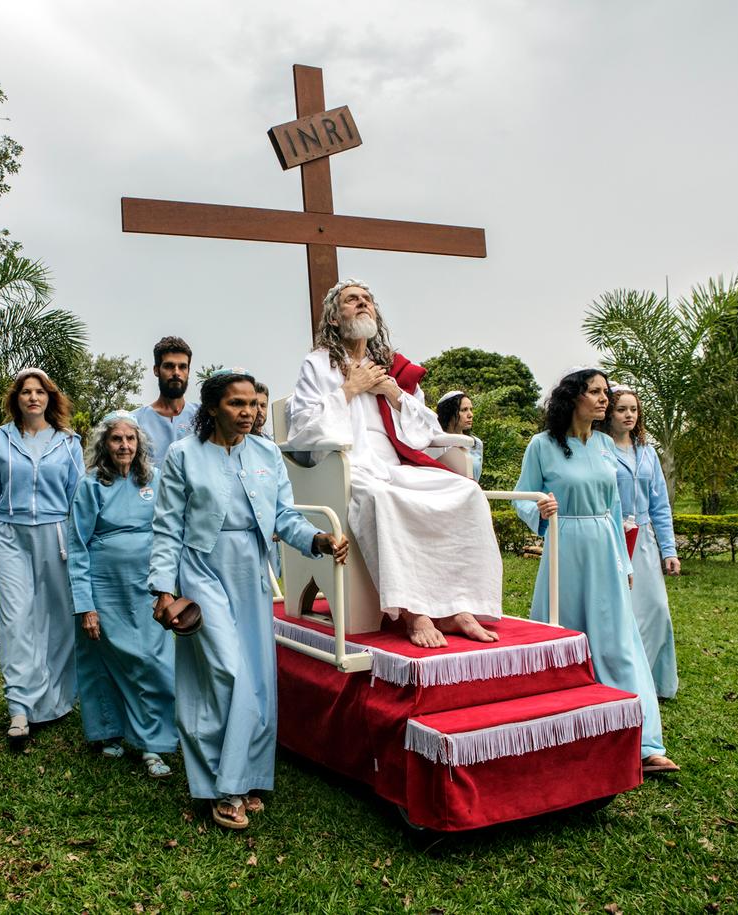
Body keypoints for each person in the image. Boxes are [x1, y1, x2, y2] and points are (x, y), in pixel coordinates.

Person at [150, 369, 348, 830]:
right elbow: (165, 527)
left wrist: (315, 540)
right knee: (225, 672)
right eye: (237, 404)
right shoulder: (182, 455)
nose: (249, 412)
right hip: (200, 567)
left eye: (254, 405)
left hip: (252, 568)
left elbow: (283, 515)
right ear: (213, 407)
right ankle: (226, 784)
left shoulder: (265, 453)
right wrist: (163, 589)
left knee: (255, 675)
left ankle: (241, 776)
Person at [284, 279, 502, 648]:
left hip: (393, 465)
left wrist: (391, 391)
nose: (363, 304)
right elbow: (302, 430)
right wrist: (350, 389)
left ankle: (457, 606)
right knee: (381, 499)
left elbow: (427, 427)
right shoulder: (318, 365)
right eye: (352, 300)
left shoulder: (390, 367)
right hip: (346, 468)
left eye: (367, 300)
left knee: (466, 492)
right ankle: (415, 613)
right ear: (335, 318)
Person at [514, 369, 679, 774]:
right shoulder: (542, 445)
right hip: (565, 548)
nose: (604, 399)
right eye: (595, 392)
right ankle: (557, 731)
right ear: (573, 398)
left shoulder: (607, 445)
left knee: (619, 642)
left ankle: (644, 742)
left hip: (605, 548)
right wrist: (540, 509)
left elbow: (617, 509)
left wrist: (623, 563)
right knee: (563, 638)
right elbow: (523, 496)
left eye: (606, 392)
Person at [0, 368, 84, 744]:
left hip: (57, 537)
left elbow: (78, 501)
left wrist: (80, 548)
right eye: (26, 392)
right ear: (16, 399)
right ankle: (19, 706)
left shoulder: (69, 443)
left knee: (57, 619)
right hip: (8, 536)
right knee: (15, 619)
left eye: (40, 392)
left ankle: (54, 697)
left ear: (50, 398)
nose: (33, 397)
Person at [68, 410, 177, 778]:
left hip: (146, 586)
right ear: (104, 444)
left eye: (130, 439)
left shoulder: (156, 480)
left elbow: (169, 531)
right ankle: (109, 732)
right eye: (117, 439)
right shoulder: (90, 485)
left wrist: (168, 584)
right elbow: (78, 545)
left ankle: (152, 743)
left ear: (140, 444)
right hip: (104, 586)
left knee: (151, 660)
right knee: (105, 659)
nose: (124, 446)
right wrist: (86, 606)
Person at [595, 385, 680, 699]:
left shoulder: (647, 451)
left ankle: (653, 682)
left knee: (656, 608)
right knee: (620, 611)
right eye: (621, 409)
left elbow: (660, 505)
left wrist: (668, 550)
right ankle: (621, 680)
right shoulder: (600, 449)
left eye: (633, 409)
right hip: (611, 536)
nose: (628, 415)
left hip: (643, 539)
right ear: (609, 414)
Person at [133, 336, 199, 464]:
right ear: (156, 370)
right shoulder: (136, 421)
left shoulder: (204, 417)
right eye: (169, 366)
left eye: (182, 367)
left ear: (188, 371)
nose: (176, 372)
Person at [427, 390, 484, 482]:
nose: (470, 415)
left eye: (471, 409)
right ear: (449, 413)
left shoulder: (476, 443)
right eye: (464, 410)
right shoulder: (435, 442)